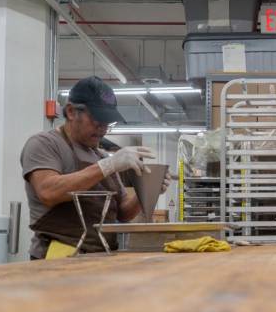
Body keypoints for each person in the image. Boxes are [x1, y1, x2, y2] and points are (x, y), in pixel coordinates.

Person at [20, 76, 171, 259]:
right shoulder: (45, 144)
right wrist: (109, 165)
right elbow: (48, 191)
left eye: (107, 123)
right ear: (70, 111)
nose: (103, 128)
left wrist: (146, 190)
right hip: (58, 254)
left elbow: (123, 212)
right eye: (97, 120)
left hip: (100, 253)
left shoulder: (99, 155)